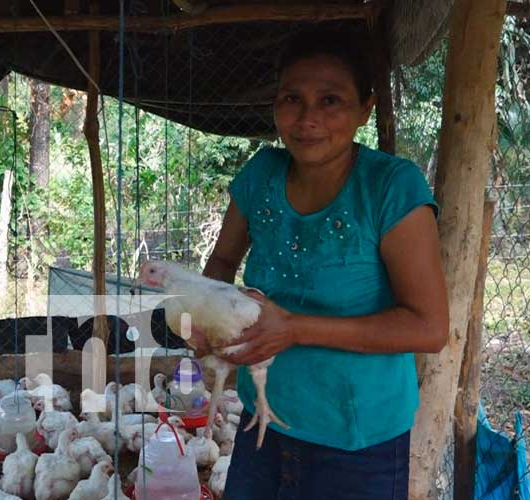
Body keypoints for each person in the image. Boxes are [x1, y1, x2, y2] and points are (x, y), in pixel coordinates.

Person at [192, 26, 449, 500]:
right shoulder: (261, 175)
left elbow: (429, 327)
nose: (308, 117)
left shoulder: (390, 188)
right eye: (292, 97)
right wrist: (206, 313)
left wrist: (293, 329)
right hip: (262, 418)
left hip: (356, 441)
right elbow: (224, 259)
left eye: (330, 100)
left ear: (364, 108)